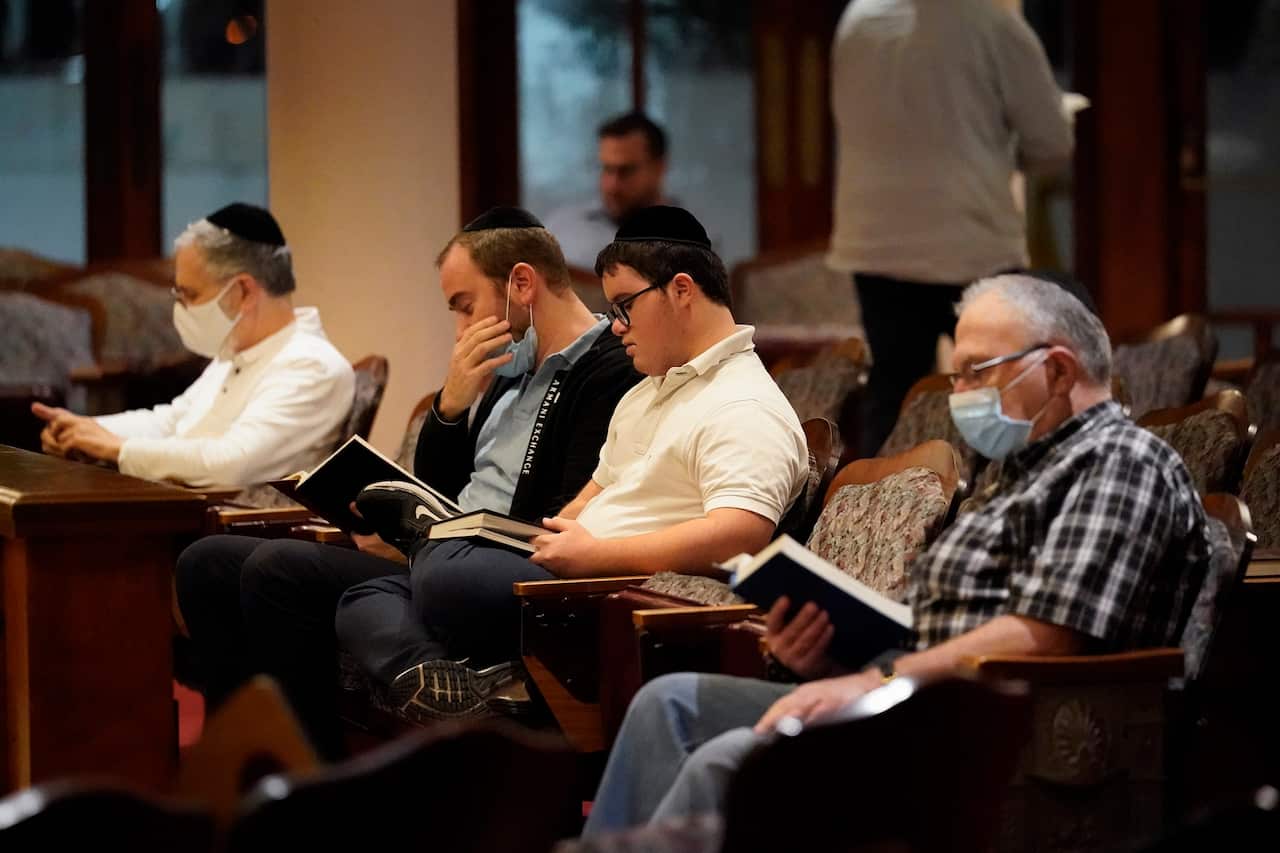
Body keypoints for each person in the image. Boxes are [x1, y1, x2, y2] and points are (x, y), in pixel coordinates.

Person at [583, 273, 1218, 834]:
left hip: (997, 727)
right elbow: (938, 625)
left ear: (1055, 370)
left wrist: (876, 681)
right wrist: (830, 652)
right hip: (911, 692)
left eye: (978, 370)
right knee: (665, 705)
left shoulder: (1121, 463)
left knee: (735, 761)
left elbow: (1044, 636)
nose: (961, 391)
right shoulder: (1014, 472)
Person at [173, 207, 639, 755]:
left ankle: (314, 783)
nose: (462, 329)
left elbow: (561, 512)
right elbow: (438, 484)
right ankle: (245, 763)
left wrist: (429, 538)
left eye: (465, 307)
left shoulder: (607, 369)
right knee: (205, 562)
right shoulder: (506, 368)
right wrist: (450, 405)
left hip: (495, 570)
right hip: (439, 552)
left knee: (279, 571)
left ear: (521, 283)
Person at [335, 206, 809, 724]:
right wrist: (538, 540)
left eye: (625, 306)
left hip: (610, 597)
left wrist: (598, 556)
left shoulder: (743, 403)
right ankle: (454, 687)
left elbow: (742, 534)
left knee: (443, 568)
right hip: (573, 574)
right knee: (371, 590)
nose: (617, 326)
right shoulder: (649, 394)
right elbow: (591, 495)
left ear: (681, 290)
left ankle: (478, 676)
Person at [826, 0, 1075, 456]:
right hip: (971, 241)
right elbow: (1052, 141)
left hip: (877, 242)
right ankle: (1001, 508)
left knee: (896, 393)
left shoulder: (858, 17)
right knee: (1004, 394)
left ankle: (877, 516)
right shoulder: (992, 21)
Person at [31, 202, 354, 488]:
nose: (181, 307)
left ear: (242, 290)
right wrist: (86, 429)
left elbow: (233, 464)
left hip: (232, 540)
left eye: (191, 294)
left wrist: (117, 448)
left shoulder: (311, 365)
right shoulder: (236, 352)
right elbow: (173, 421)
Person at [543, 112, 672, 270]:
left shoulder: (694, 242)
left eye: (626, 171)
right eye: (607, 169)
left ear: (659, 168)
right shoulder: (561, 226)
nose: (612, 185)